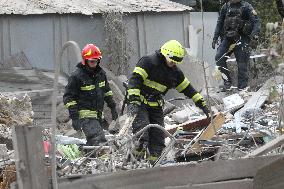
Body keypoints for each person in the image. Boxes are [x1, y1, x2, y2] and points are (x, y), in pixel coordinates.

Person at [126, 40, 210, 162]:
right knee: (142, 135)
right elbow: (134, 81)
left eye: (176, 61)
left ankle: (154, 163)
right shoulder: (148, 61)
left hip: (155, 106)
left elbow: (188, 89)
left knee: (158, 138)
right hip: (139, 103)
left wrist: (201, 104)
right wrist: (133, 101)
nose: (172, 63)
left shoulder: (175, 73)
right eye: (171, 59)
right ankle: (134, 162)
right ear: (165, 53)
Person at [63, 44, 118, 146]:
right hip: (85, 118)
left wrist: (113, 107)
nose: (94, 63)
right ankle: (100, 159)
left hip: (98, 117)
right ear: (85, 60)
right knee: (99, 141)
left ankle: (89, 158)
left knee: (93, 143)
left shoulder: (101, 74)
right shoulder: (77, 76)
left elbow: (107, 91)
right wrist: (75, 117)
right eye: (92, 61)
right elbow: (68, 97)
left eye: (96, 61)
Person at [212, 0, 261, 91]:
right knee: (219, 57)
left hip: (242, 38)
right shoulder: (225, 7)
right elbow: (220, 22)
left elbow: (256, 22)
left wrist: (254, 37)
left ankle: (242, 89)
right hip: (228, 38)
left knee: (242, 64)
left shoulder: (246, 6)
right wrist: (215, 37)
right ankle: (227, 82)